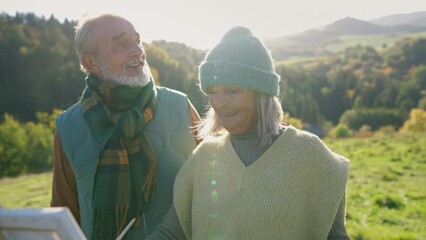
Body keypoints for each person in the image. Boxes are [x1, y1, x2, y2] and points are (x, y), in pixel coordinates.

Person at [149, 26, 350, 239]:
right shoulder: (203, 159)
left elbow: (335, 235)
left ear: (262, 94)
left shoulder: (309, 154)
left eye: (232, 91)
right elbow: (170, 233)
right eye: (212, 92)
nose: (219, 103)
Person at [50, 13, 200, 240]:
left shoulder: (180, 106)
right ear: (90, 62)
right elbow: (63, 213)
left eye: (137, 40)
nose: (139, 51)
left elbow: (218, 184)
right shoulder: (67, 128)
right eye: (122, 44)